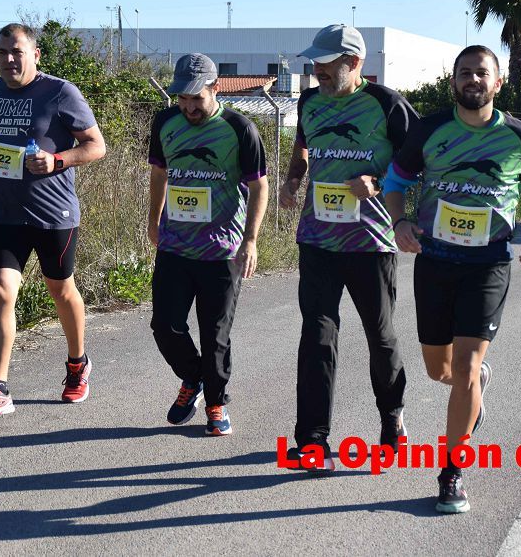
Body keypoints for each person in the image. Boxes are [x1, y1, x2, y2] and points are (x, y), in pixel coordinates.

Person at [384, 45, 521, 514]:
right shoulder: (430, 130)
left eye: (482, 73)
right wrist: (400, 223)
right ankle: (474, 385)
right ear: (452, 81)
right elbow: (396, 181)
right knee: (441, 371)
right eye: (465, 73)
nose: (473, 80)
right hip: (435, 261)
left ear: (498, 83)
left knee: (467, 370)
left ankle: (452, 471)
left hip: (488, 265)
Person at [278, 24, 418, 472]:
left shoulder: (386, 104)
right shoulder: (309, 101)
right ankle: (312, 441)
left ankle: (392, 416)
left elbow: (417, 161)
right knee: (317, 335)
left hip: (370, 241)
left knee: (380, 335)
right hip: (317, 237)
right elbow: (302, 146)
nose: (316, 70)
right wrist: (293, 179)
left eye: (326, 64)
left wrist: (377, 183)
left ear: (353, 63)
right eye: (315, 63)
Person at [0, 23, 106, 420]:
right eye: (3, 52)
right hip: (3, 212)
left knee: (60, 290)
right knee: (0, 289)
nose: (10, 59)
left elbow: (97, 145)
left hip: (52, 213)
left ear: (35, 54)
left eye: (17, 52)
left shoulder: (60, 92)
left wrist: (58, 160)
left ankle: (78, 363)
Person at [147, 53, 268, 436]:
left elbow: (258, 185)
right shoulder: (165, 122)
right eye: (181, 99)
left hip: (222, 250)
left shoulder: (239, 128)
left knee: (214, 333)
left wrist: (250, 241)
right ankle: (193, 378)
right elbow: (159, 172)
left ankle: (216, 403)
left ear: (215, 88)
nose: (187, 107)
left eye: (195, 99)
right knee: (165, 326)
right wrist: (153, 221)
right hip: (175, 245)